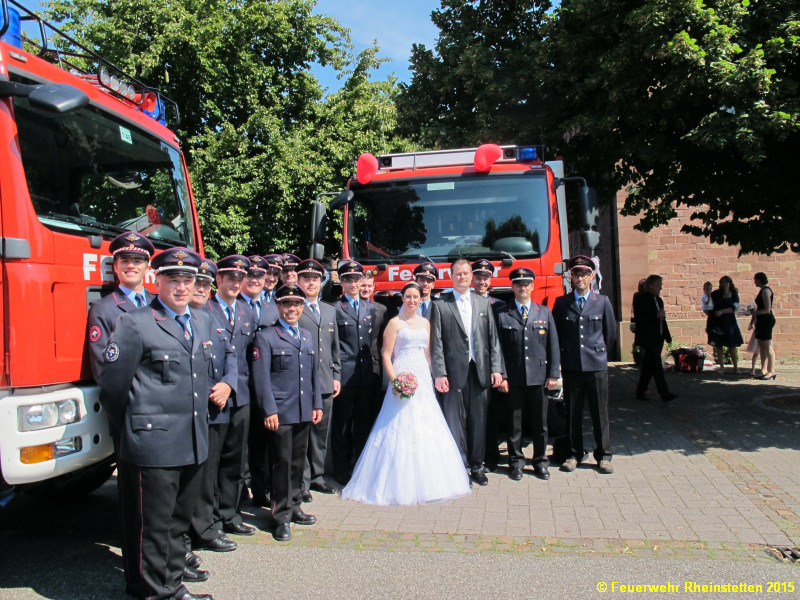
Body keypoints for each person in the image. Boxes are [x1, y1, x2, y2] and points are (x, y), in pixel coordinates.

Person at [99, 247, 215, 600]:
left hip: (192, 438)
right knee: (153, 526)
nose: (181, 287)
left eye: (188, 279)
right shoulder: (136, 322)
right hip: (153, 443)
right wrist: (134, 430)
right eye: (173, 279)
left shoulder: (201, 320)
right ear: (157, 280)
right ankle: (159, 592)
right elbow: (113, 388)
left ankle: (159, 583)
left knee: (178, 522)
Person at [342, 282, 471, 505]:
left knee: (426, 423)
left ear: (421, 298)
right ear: (402, 298)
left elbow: (429, 354)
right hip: (401, 376)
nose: (412, 300)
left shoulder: (426, 323)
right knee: (397, 425)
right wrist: (395, 381)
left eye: (416, 296)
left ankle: (432, 481)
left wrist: (436, 376)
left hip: (421, 377)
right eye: (408, 296)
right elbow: (386, 355)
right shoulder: (394, 323)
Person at [251, 284, 323, 542]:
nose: (292, 309)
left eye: (296, 305)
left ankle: (294, 507)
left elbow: (313, 374)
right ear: (278, 307)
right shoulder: (267, 337)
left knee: (296, 463)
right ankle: (280, 517)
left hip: (303, 411)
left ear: (302, 307)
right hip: (280, 413)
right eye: (286, 305)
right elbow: (261, 379)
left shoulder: (306, 336)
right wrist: (269, 410)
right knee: (280, 465)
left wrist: (317, 404)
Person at [430, 258, 504, 486]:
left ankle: (477, 465)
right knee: (455, 421)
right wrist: (439, 373)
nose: (462, 277)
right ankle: (459, 466)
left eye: (466, 273)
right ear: (451, 276)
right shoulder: (441, 304)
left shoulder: (483, 304)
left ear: (472, 276)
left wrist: (497, 369)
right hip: (453, 373)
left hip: (479, 370)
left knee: (478, 421)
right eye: (458, 273)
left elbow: (493, 340)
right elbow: (437, 343)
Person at [202, 255, 256, 538]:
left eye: (239, 279)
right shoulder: (205, 310)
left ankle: (230, 514)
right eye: (230, 278)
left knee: (236, 460)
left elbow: (249, 357)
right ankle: (210, 520)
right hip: (216, 397)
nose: (235, 283)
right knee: (212, 462)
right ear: (218, 280)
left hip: (242, 396)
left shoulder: (248, 312)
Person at [552, 255, 617, 475]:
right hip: (572, 366)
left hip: (596, 366)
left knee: (600, 413)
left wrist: (598, 355)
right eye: (575, 274)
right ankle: (574, 454)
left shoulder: (603, 302)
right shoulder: (562, 303)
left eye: (583, 274)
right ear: (571, 277)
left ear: (591, 277)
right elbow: (557, 336)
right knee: (573, 413)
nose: (579, 278)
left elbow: (610, 335)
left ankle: (604, 456)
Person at [495, 268, 560, 481]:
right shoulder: (503, 313)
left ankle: (540, 462)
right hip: (513, 378)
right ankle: (516, 462)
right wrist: (502, 375)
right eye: (518, 284)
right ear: (512, 287)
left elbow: (553, 346)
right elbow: (499, 348)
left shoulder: (544, 312)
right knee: (514, 425)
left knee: (540, 424)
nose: (523, 287)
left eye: (526, 284)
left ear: (532, 286)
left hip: (539, 377)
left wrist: (553, 374)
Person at [331, 261, 380, 485]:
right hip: (344, 376)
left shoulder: (371, 307)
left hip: (365, 375)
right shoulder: (334, 309)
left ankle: (360, 465)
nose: (353, 284)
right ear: (342, 282)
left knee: (363, 423)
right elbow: (333, 345)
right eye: (348, 279)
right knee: (342, 424)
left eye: (356, 279)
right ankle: (341, 469)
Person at [296, 259, 341, 500]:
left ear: (321, 281)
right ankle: (302, 482)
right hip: (302, 382)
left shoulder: (329, 310)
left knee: (321, 434)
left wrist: (336, 375)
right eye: (306, 278)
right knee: (303, 433)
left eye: (315, 279)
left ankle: (318, 476)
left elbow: (335, 349)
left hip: (325, 380)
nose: (311, 282)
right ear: (298, 281)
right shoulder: (293, 307)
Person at [87, 231, 155, 384]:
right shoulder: (103, 309)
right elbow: (102, 368)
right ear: (116, 267)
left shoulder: (159, 304)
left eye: (137, 261)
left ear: (147, 267)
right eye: (124, 261)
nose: (130, 265)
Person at [633, 274, 677, 402]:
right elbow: (640, 318)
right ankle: (664, 393)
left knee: (648, 366)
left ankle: (640, 391)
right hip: (648, 338)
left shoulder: (659, 300)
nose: (660, 288)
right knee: (657, 366)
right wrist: (655, 315)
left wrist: (667, 336)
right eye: (658, 285)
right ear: (650, 286)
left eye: (661, 285)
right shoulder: (641, 298)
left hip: (658, 337)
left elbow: (663, 321)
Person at [708, 275, 744, 374]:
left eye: (726, 282)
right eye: (722, 283)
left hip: (729, 321)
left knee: (732, 344)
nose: (724, 284)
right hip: (718, 321)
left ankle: (736, 367)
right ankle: (721, 366)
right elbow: (708, 302)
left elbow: (735, 308)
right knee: (718, 344)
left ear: (730, 283)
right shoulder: (716, 294)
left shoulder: (734, 293)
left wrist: (722, 311)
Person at [750, 272, 777, 380]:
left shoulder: (766, 291)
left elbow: (767, 309)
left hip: (766, 320)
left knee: (767, 345)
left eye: (755, 279)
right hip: (761, 321)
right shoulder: (762, 290)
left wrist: (755, 313)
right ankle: (763, 369)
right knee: (761, 345)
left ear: (760, 279)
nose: (754, 281)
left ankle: (771, 370)